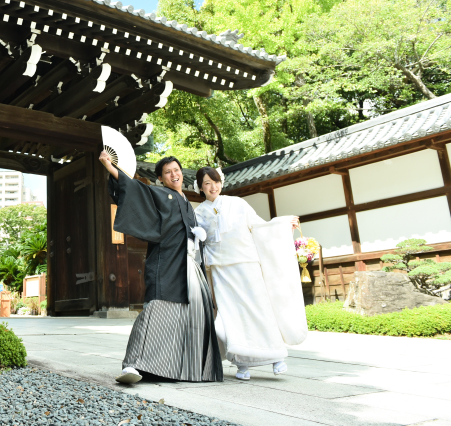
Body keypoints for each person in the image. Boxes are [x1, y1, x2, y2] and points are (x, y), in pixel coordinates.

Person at [99, 151, 223, 384]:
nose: (174, 174)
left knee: (189, 315)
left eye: (176, 170)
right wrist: (109, 166)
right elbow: (134, 188)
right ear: (160, 179)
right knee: (156, 309)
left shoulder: (186, 200)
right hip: (166, 261)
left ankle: (180, 368)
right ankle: (134, 364)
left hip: (187, 263)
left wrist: (198, 237)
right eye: (168, 172)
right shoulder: (160, 193)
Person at [193, 166, 307, 381]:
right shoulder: (198, 213)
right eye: (207, 183)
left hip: (246, 263)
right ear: (200, 187)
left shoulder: (237, 203)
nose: (212, 186)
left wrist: (283, 225)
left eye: (215, 181)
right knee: (231, 314)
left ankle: (276, 357)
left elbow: (260, 226)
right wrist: (197, 236)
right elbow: (196, 242)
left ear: (221, 182)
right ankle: (242, 363)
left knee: (259, 308)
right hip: (220, 268)